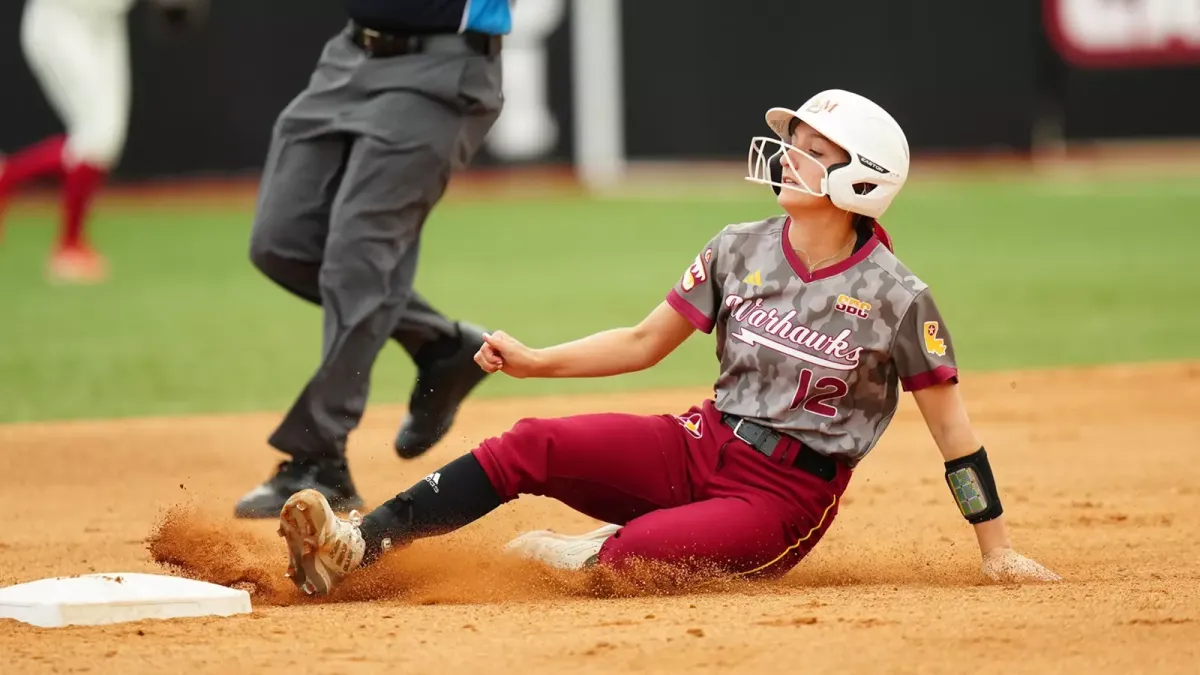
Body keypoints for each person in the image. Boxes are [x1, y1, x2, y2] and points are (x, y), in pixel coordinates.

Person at [269, 89, 1062, 596]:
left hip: (781, 497)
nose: (789, 154)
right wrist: (537, 360)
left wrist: (996, 550)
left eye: (813, 150)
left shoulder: (897, 297)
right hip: (699, 442)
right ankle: (354, 544)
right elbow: (647, 340)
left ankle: (590, 546)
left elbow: (955, 435)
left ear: (861, 179)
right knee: (528, 445)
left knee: (631, 561)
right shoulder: (739, 246)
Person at [233, 1, 513, 518]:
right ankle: (440, 344)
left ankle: (320, 457)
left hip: (441, 70)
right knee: (282, 242)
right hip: (351, 54)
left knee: (359, 257)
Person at [0, 0, 137, 283]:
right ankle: (69, 246)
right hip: (61, 18)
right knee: (97, 135)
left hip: (106, 21)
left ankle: (7, 177)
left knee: (106, 139)